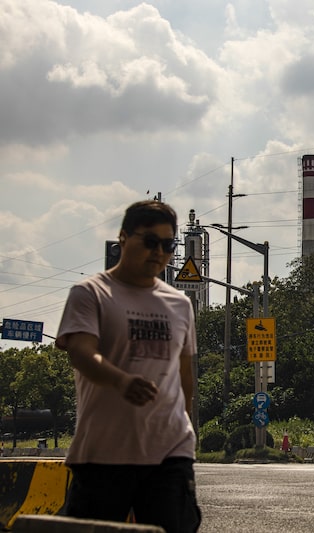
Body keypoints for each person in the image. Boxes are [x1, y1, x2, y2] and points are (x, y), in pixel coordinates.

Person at [56, 200, 201, 533]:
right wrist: (122, 381)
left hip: (170, 449)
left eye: (168, 245)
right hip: (104, 453)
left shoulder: (179, 304)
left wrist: (188, 429)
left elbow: (185, 376)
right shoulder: (90, 293)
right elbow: (81, 353)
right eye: (150, 241)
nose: (159, 252)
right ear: (123, 237)